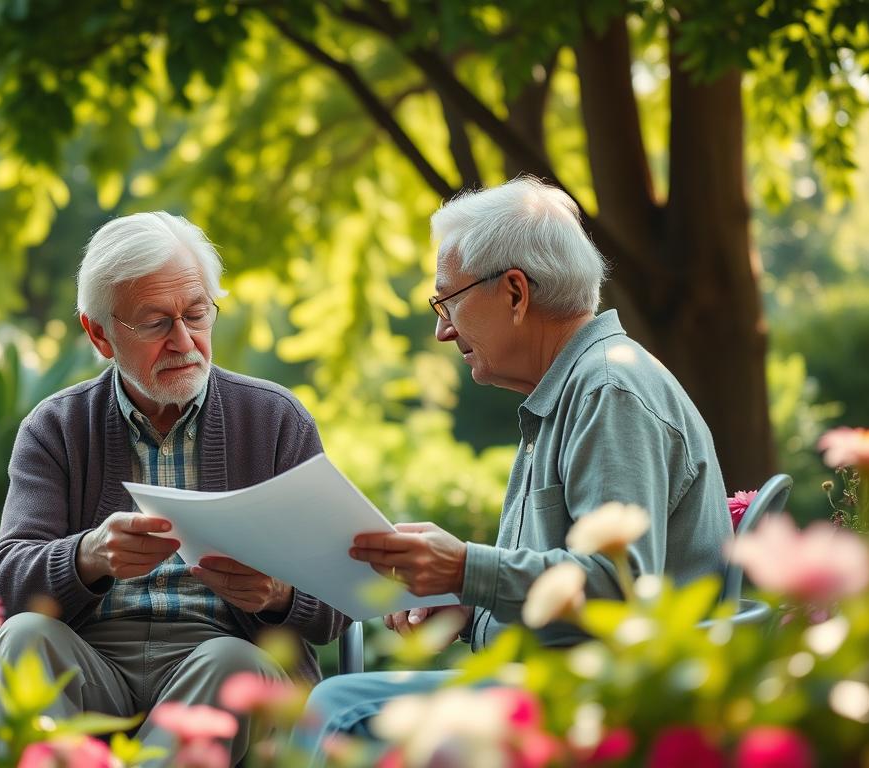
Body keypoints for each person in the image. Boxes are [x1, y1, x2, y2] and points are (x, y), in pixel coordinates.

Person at [299, 176, 732, 746]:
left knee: (336, 705)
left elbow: (620, 592)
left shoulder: (608, 389)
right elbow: (569, 590)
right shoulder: (577, 389)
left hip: (605, 703)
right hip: (562, 686)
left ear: (514, 293)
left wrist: (463, 570)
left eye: (448, 300)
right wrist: (466, 604)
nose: (441, 329)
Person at [0, 211, 350, 764]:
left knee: (231, 663)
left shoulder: (274, 420)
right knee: (25, 638)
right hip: (92, 665)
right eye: (155, 323)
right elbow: (1, 584)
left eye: (197, 314)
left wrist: (278, 594)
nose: (184, 341)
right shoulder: (56, 426)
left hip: (224, 658)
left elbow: (341, 597)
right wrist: (88, 556)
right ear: (100, 334)